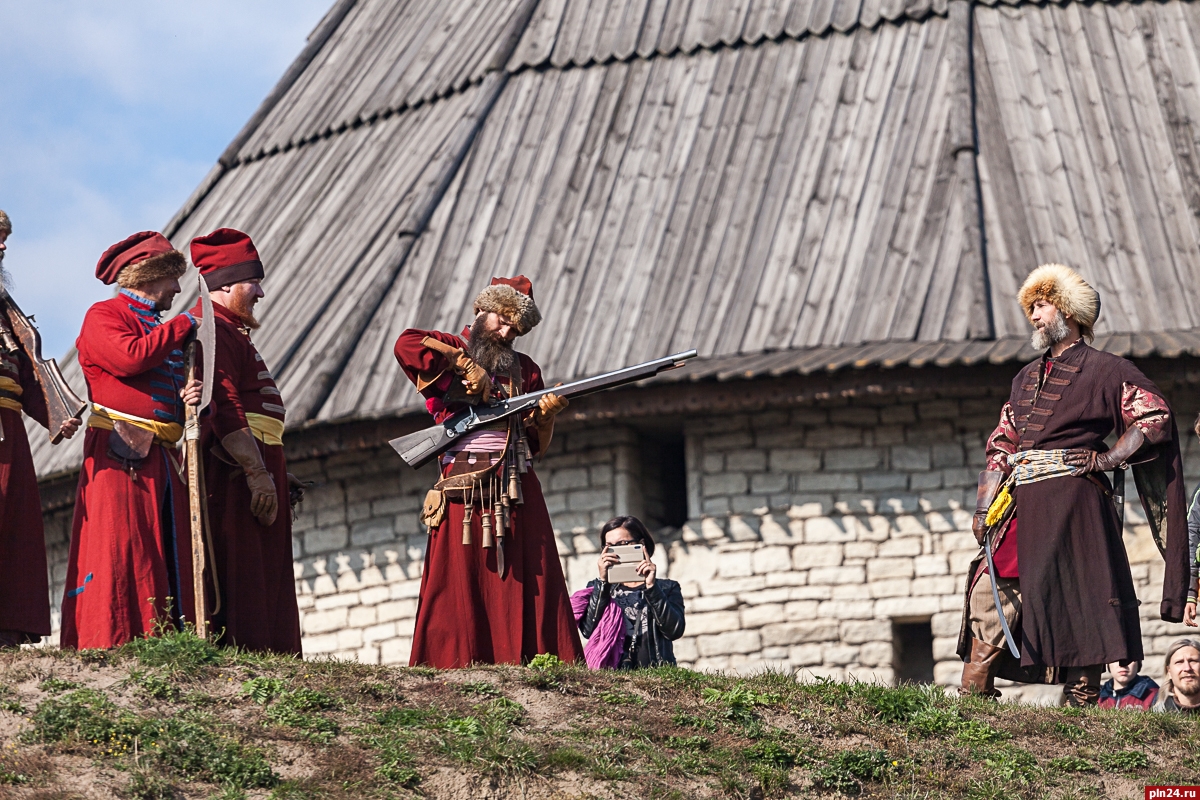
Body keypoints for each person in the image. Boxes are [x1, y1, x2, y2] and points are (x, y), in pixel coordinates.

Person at [957, 263, 1189, 706]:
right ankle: (974, 697)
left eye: (1041, 306)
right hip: (1022, 501)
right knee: (991, 585)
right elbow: (1002, 442)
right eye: (1031, 308)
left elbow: (1154, 416)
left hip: (1077, 502)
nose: (1034, 316)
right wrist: (984, 507)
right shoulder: (1024, 377)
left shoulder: (1108, 369)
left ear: (1067, 310)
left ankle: (1080, 709)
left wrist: (1108, 458)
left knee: (1083, 597)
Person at [393, 275, 584, 667]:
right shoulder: (452, 345)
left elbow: (532, 442)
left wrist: (544, 418)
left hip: (515, 479)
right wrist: (461, 361)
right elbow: (405, 344)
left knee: (533, 573)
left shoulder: (526, 369)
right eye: (503, 319)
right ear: (483, 309)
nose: (508, 330)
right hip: (464, 480)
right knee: (457, 583)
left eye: (517, 326)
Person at [60, 231, 202, 649]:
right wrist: (184, 323)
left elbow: (158, 381)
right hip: (119, 450)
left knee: (158, 548)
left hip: (159, 452)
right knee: (121, 547)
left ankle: (163, 637)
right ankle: (113, 639)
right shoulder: (104, 315)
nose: (177, 288)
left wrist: (186, 399)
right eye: (171, 278)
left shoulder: (156, 326)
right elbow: (130, 357)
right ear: (149, 276)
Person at [188, 228, 302, 654]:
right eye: (252, 283)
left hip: (260, 461)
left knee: (267, 571)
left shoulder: (233, 332)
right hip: (237, 471)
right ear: (226, 285)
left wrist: (274, 468)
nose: (259, 293)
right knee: (246, 571)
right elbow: (225, 405)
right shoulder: (215, 333)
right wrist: (256, 471)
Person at [0, 210, 80, 648]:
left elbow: (24, 375)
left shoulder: (4, 309)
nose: (3, 248)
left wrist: (53, 413)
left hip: (9, 429)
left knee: (14, 527)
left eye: (5, 239)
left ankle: (6, 628)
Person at [574, 516, 685, 669]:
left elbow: (674, 631)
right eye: (609, 546)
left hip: (656, 678)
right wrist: (603, 583)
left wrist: (652, 588)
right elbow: (588, 631)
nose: (615, 552)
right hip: (610, 677)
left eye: (622, 544)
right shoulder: (599, 588)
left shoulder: (667, 588)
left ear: (641, 544)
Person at [1154, 639, 1200, 713]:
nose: (1187, 668)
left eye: (1193, 661)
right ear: (1169, 671)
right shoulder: (1157, 716)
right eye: (1179, 662)